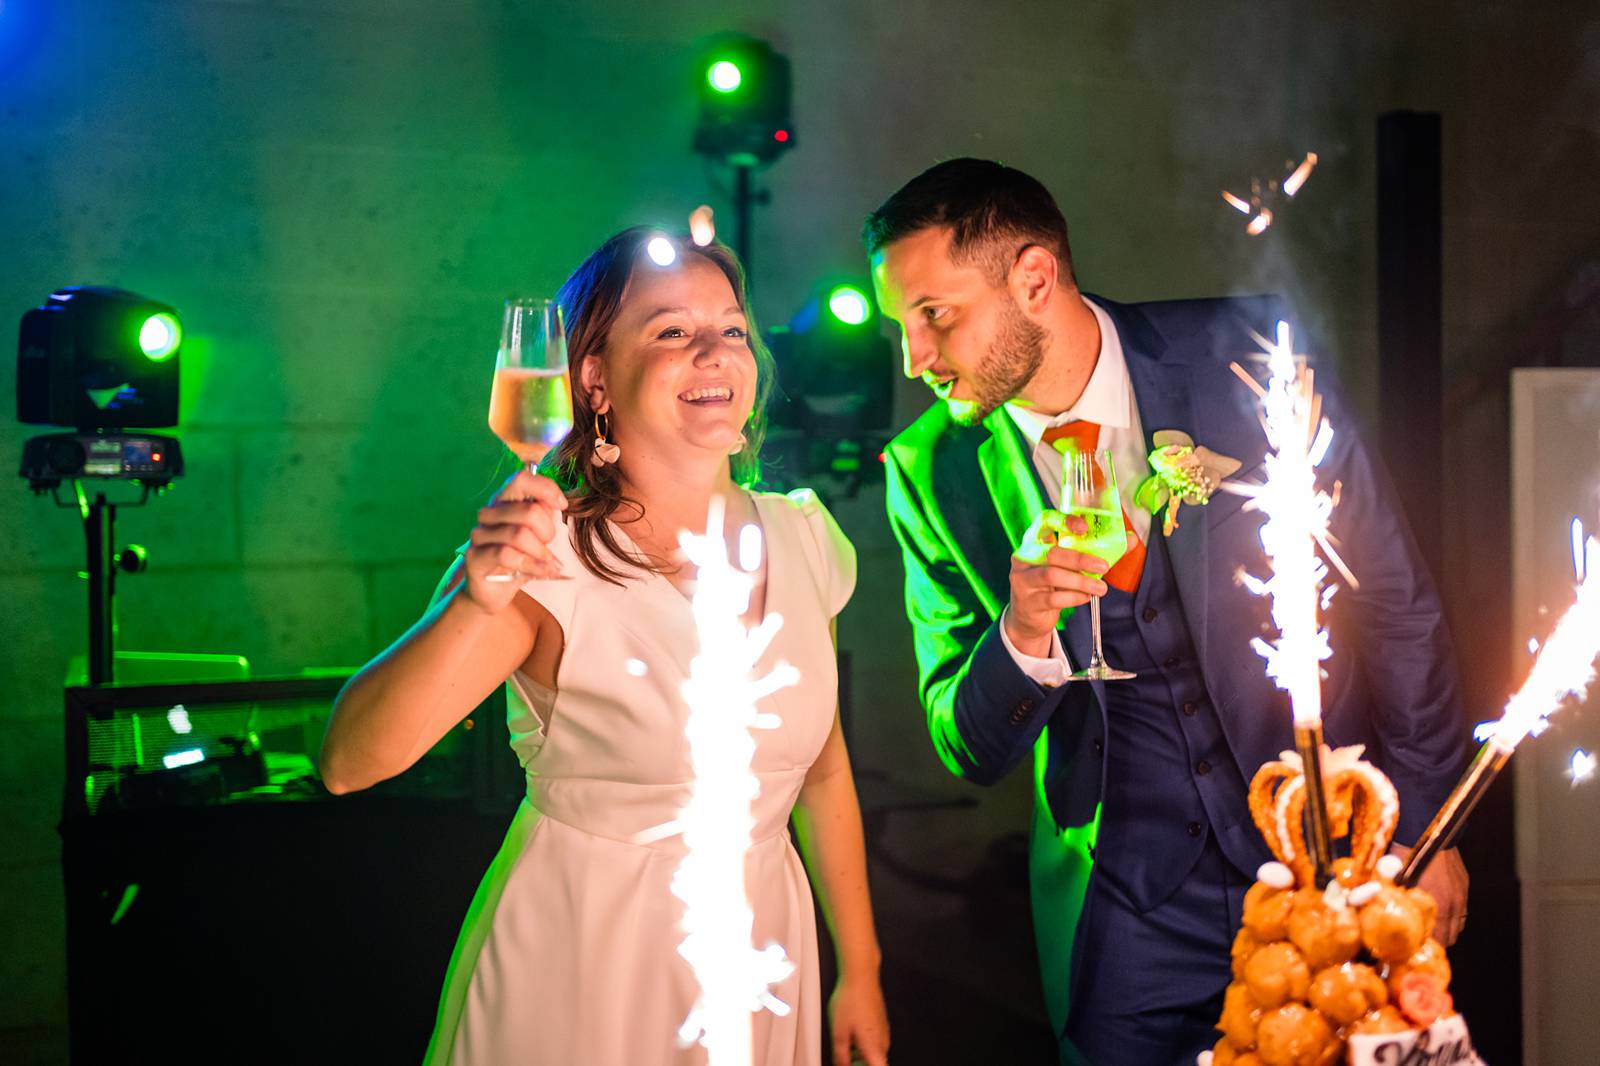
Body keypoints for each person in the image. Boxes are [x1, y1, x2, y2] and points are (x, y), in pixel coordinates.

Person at [863, 159, 1469, 1065]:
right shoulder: (928, 471)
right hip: (1126, 913)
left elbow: (1396, 602)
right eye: (898, 326)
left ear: (1034, 278)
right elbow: (967, 742)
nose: (913, 361)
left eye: (934, 315)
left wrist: (1427, 827)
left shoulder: (1247, 356)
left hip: (1327, 865)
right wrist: (1022, 636)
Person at [320, 227, 890, 1066]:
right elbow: (349, 762)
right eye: (671, 332)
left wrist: (862, 970)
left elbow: (824, 768)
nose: (714, 352)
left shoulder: (806, 537)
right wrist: (477, 603)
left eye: (730, 329)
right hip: (589, 963)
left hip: (763, 957)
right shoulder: (546, 561)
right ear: (594, 378)